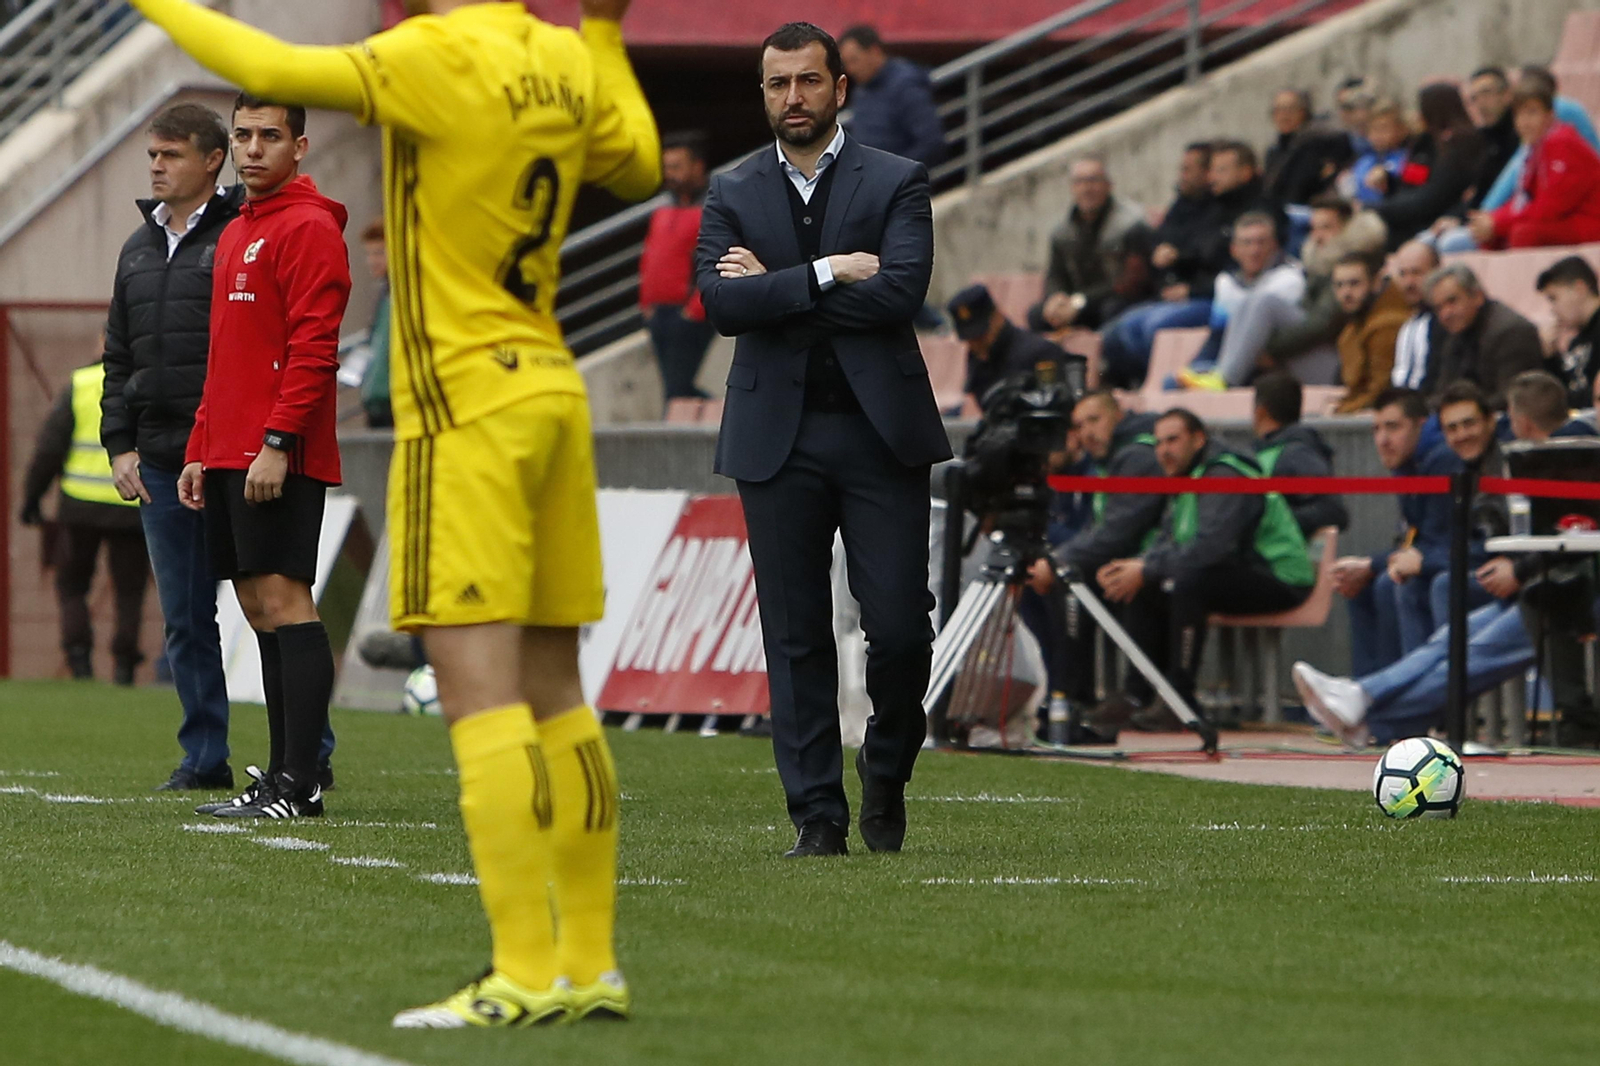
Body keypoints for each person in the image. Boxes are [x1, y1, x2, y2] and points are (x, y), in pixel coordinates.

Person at [128, 0, 660, 1028]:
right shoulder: (560, 54)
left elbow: (266, 59)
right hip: (552, 386)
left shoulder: (439, 52)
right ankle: (588, 962)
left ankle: (519, 970)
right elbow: (636, 166)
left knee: (477, 685)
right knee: (557, 686)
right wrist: (602, 25)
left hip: (463, 402)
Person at [696, 22, 950, 860]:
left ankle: (886, 769)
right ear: (763, 94)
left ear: (840, 89)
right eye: (778, 84)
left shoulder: (898, 180)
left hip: (881, 438)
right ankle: (817, 816)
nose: (793, 98)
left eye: (808, 82)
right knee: (794, 634)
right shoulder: (732, 192)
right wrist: (828, 271)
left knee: (901, 630)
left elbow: (900, 295)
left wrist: (773, 291)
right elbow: (721, 309)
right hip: (776, 441)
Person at [179, 93, 351, 826]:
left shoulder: (309, 228)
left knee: (286, 602)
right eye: (244, 135)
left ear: (299, 147)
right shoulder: (237, 230)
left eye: (270, 136)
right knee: (256, 606)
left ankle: (302, 781)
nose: (253, 149)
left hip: (277, 453)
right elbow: (226, 356)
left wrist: (279, 442)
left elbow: (314, 347)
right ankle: (283, 773)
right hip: (228, 451)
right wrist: (199, 444)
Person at [1294, 372, 1597, 747]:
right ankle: (1363, 697)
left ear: (1497, 421)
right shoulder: (1488, 463)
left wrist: (1517, 568)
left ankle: (1378, 718)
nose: (1461, 435)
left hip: (1562, 587)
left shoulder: (1553, 454)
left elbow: (1569, 534)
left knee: (1467, 641)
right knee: (1452, 638)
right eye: (1452, 427)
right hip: (1540, 582)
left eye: (1469, 423)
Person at [100, 102, 242, 792]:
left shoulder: (245, 235)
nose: (156, 165)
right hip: (158, 457)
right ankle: (205, 758)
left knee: (274, 607)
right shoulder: (136, 245)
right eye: (153, 154)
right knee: (186, 618)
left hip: (235, 455)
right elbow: (118, 357)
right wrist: (119, 445)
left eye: (171, 154)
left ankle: (309, 752)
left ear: (212, 161)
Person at [1094, 408, 1314, 723]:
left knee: (1188, 583)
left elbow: (1211, 548)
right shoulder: (1188, 478)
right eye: (1158, 443)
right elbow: (1171, 542)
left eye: (1172, 440)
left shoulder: (1224, 475)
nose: (1164, 451)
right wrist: (1136, 567)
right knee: (1142, 586)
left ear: (1198, 440)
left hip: (1279, 577)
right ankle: (1137, 693)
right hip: (1236, 570)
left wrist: (1146, 568)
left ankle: (1179, 699)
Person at [1026, 391, 1166, 724]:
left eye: (1094, 420)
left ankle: (1123, 695)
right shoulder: (1110, 460)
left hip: (1155, 562)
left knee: (1074, 576)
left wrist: (1057, 561)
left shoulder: (1139, 455)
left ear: (1117, 415)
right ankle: (1070, 695)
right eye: (1079, 425)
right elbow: (1097, 529)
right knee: (1060, 581)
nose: (1087, 432)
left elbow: (1117, 531)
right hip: (1130, 558)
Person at [1099, 141, 1279, 387]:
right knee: (1117, 330)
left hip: (1213, 297)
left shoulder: (1261, 211)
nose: (1212, 177)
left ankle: (1152, 385)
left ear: (1245, 172)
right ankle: (1133, 387)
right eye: (1212, 170)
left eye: (1222, 170)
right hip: (1188, 292)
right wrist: (1172, 258)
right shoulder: (1209, 207)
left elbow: (1238, 271)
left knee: (1153, 327)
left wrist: (1192, 289)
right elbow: (1190, 250)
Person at [20, 360, 150, 684]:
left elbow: (50, 447)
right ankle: (124, 667)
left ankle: (80, 662)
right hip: (129, 503)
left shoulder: (81, 383)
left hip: (79, 507)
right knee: (130, 590)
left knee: (72, 585)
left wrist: (32, 498)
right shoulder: (146, 383)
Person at [1328, 387, 1457, 673]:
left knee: (1393, 583)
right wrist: (1370, 566)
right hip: (1434, 557)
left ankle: (1406, 695)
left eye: (1393, 427)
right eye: (1376, 429)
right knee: (1361, 587)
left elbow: (1435, 542)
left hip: (1457, 561)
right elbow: (1413, 540)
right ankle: (1368, 696)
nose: (1382, 441)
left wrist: (1373, 564)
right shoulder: (1409, 465)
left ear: (1421, 425)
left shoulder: (1443, 461)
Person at [1175, 211, 1309, 390]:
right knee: (1174, 382)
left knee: (1260, 301)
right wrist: (1195, 367)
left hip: (1282, 359)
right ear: (1234, 250)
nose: (1255, 250)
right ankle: (1220, 377)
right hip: (1240, 360)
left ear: (1275, 245)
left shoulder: (1291, 277)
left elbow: (1281, 335)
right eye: (1247, 243)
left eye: (1261, 242)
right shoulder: (1226, 282)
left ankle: (1225, 379)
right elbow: (1218, 333)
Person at [1463, 82, 1600, 249]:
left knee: (1524, 234)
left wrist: (1497, 223)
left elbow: (1551, 207)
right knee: (1490, 239)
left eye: (1532, 113)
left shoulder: (1561, 142)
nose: (1524, 122)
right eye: (1518, 115)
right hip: (1568, 219)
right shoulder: (1536, 148)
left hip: (1590, 221)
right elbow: (1525, 200)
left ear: (1550, 116)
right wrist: (1491, 219)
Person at [1027, 156, 1150, 332]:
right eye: (1079, 182)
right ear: (1072, 188)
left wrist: (1079, 302)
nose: (1086, 189)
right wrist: (1057, 299)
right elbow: (1055, 275)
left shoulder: (1131, 223)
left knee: (1113, 310)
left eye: (1093, 181)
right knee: (1037, 314)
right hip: (1077, 303)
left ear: (1108, 185)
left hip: (1118, 299)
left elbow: (1129, 282)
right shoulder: (1062, 230)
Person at [640, 131, 715, 404]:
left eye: (676, 167)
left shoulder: (712, 210)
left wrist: (694, 310)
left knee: (677, 390)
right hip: (659, 313)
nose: (670, 174)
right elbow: (649, 259)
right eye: (667, 167)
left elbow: (715, 263)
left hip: (688, 313)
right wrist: (646, 305)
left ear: (697, 166)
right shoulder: (662, 211)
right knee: (676, 388)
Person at [1374, 83, 1486, 250]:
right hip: (1410, 215)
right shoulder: (1426, 144)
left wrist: (1379, 209)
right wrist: (1391, 183)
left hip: (1434, 220)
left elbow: (1432, 197)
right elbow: (1414, 180)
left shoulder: (1459, 145)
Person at [1426, 263, 1543, 409]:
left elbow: (1510, 398)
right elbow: (1443, 392)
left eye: (1452, 301)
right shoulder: (1455, 333)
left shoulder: (1511, 331)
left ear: (1477, 296)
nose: (1445, 314)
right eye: (1439, 308)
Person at [1250, 371, 1347, 535]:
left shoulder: (1296, 454)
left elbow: (1333, 511)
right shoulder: (1273, 452)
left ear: (1260, 412)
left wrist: (1271, 520)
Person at [837, 24, 945, 168]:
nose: (851, 69)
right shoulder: (861, 91)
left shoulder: (906, 86)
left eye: (854, 60)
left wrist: (897, 174)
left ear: (874, 52)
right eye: (846, 64)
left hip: (897, 182)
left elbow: (931, 142)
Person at [948, 283, 1065, 405]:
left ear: (997, 317)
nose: (975, 343)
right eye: (970, 338)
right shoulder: (978, 356)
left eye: (981, 336)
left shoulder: (1041, 352)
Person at [1331, 253, 1406, 413]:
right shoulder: (1353, 326)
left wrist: (1339, 414)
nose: (1346, 293)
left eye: (1354, 283)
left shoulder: (1387, 323)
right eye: (1339, 285)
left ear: (1376, 282)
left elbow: (1379, 392)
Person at [1261, 89, 1352, 208]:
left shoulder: (1323, 142)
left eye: (1290, 109)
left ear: (1303, 112)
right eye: (1278, 110)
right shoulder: (1274, 151)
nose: (1283, 116)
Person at [1536, 255, 1600, 410]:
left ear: (1579, 288)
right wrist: (1550, 357)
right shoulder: (1577, 340)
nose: (1553, 309)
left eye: (1554, 298)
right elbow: (1563, 390)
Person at [1389, 240, 1443, 390]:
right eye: (1403, 274)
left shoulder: (1447, 324)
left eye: (1416, 273)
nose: (1408, 283)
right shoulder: (1408, 326)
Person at [357, 217, 393, 428]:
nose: (372, 260)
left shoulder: (403, 296)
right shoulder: (383, 294)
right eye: (369, 254)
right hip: (377, 400)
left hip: (392, 399)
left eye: (379, 252)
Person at [1349, 96, 1411, 207]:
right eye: (1373, 129)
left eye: (1384, 128)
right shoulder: (1364, 161)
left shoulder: (1409, 156)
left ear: (1402, 129)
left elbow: (1410, 174)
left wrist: (1386, 173)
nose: (1378, 135)